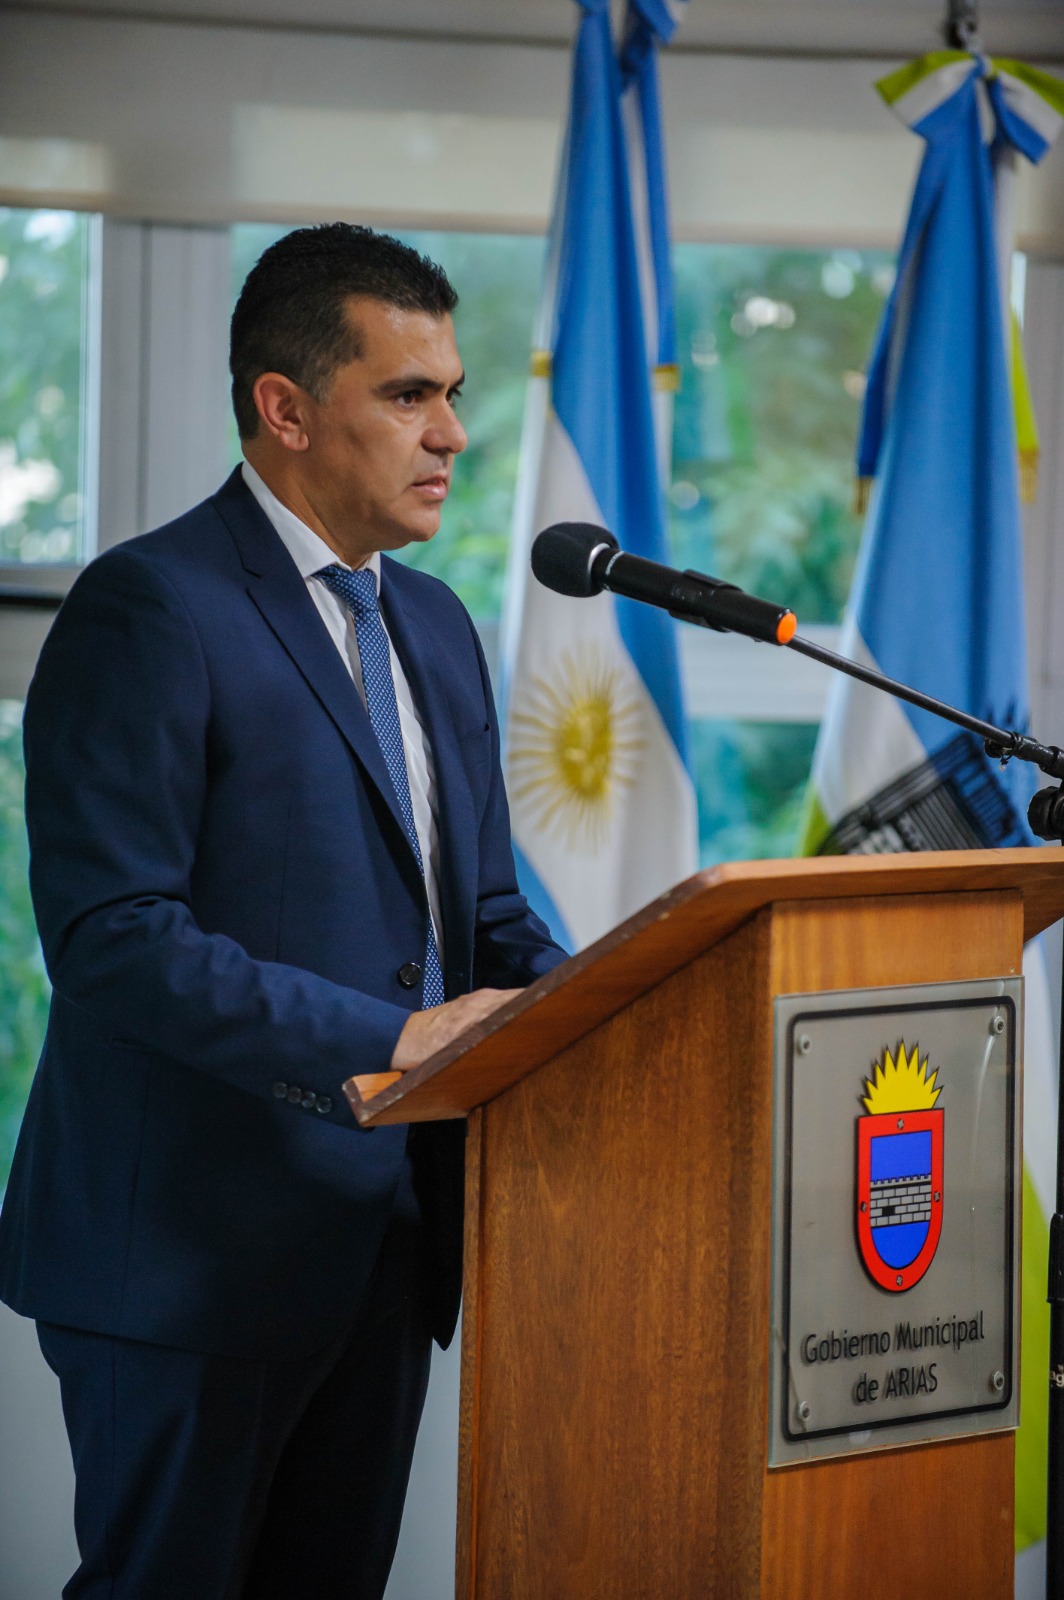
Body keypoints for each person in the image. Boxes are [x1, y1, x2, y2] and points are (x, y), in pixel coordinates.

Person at [0, 223, 567, 1599]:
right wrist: (393, 1040)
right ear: (287, 408)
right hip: (188, 1258)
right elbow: (115, 938)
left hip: (386, 1249)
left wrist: (606, 1001)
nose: (452, 434)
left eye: (453, 394)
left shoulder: (438, 626)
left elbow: (483, 913)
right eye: (409, 394)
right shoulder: (150, 606)